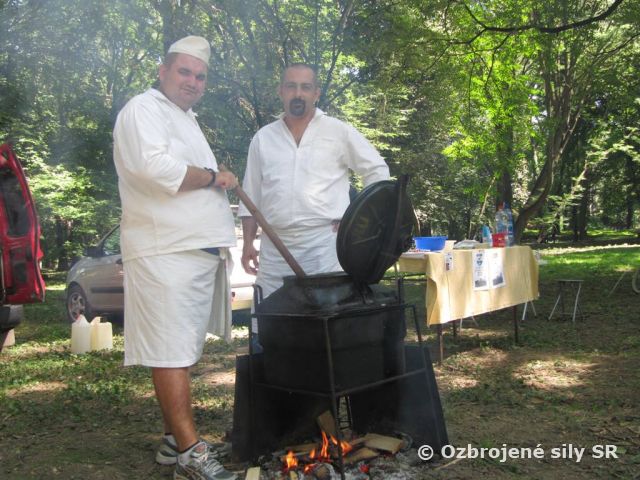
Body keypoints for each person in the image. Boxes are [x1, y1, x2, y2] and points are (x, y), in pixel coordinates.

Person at [113, 35, 238, 480]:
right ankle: (189, 453)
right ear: (163, 71)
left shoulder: (185, 119)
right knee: (169, 351)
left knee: (180, 349)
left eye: (200, 76)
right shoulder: (142, 109)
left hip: (192, 251)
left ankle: (172, 441)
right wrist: (213, 176)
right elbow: (154, 169)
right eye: (184, 71)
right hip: (163, 250)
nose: (192, 81)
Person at [239, 63, 390, 299]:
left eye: (305, 87)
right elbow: (250, 195)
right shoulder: (263, 138)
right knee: (272, 316)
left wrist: (358, 219)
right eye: (291, 86)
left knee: (327, 317)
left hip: (325, 249)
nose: (298, 93)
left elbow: (377, 170)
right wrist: (248, 242)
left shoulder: (338, 131)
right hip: (275, 251)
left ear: (316, 93)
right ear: (281, 91)